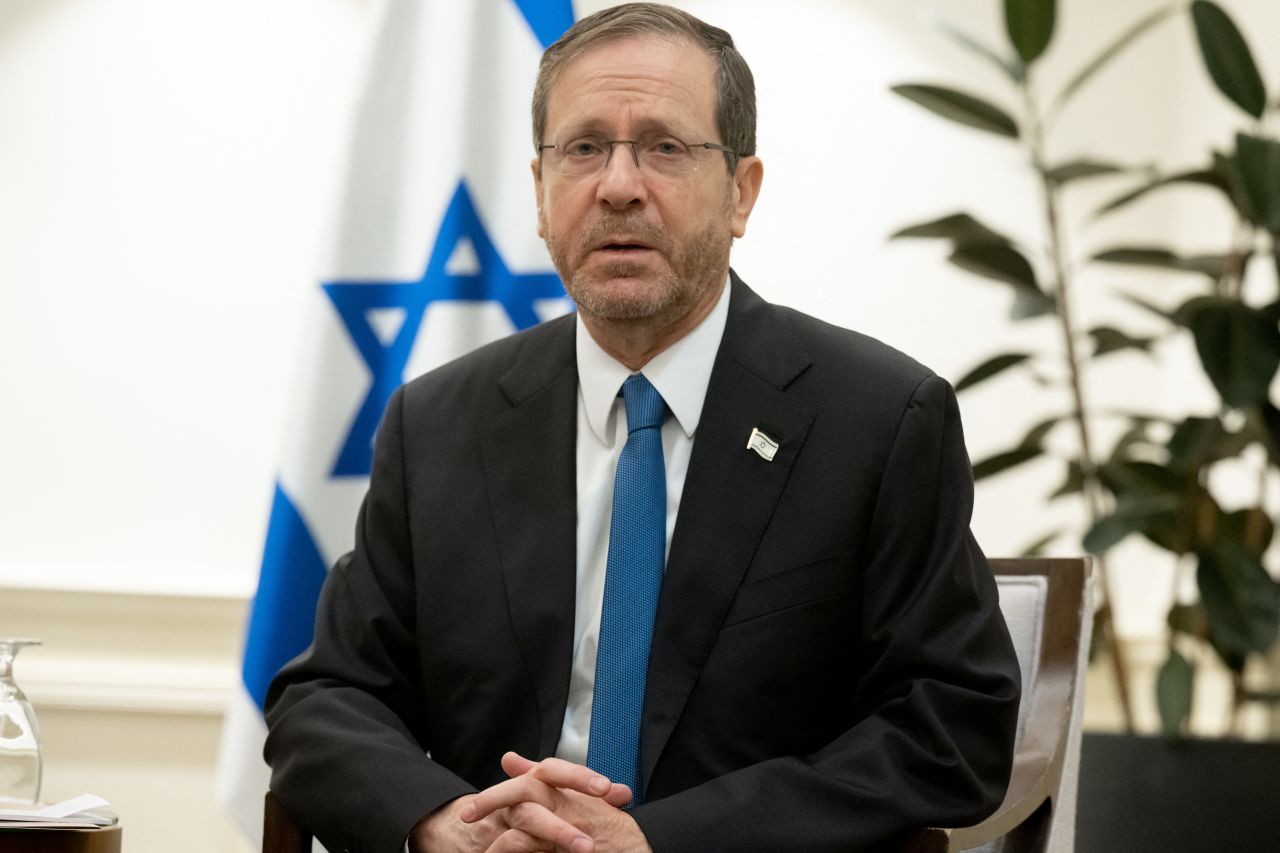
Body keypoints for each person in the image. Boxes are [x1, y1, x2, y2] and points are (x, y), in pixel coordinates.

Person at [263, 5, 1021, 852]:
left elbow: (952, 728)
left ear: (742, 192)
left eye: (664, 146)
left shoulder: (878, 421)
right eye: (582, 148)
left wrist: (661, 842)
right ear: (542, 196)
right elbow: (324, 696)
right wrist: (447, 823)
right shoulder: (439, 422)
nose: (618, 185)